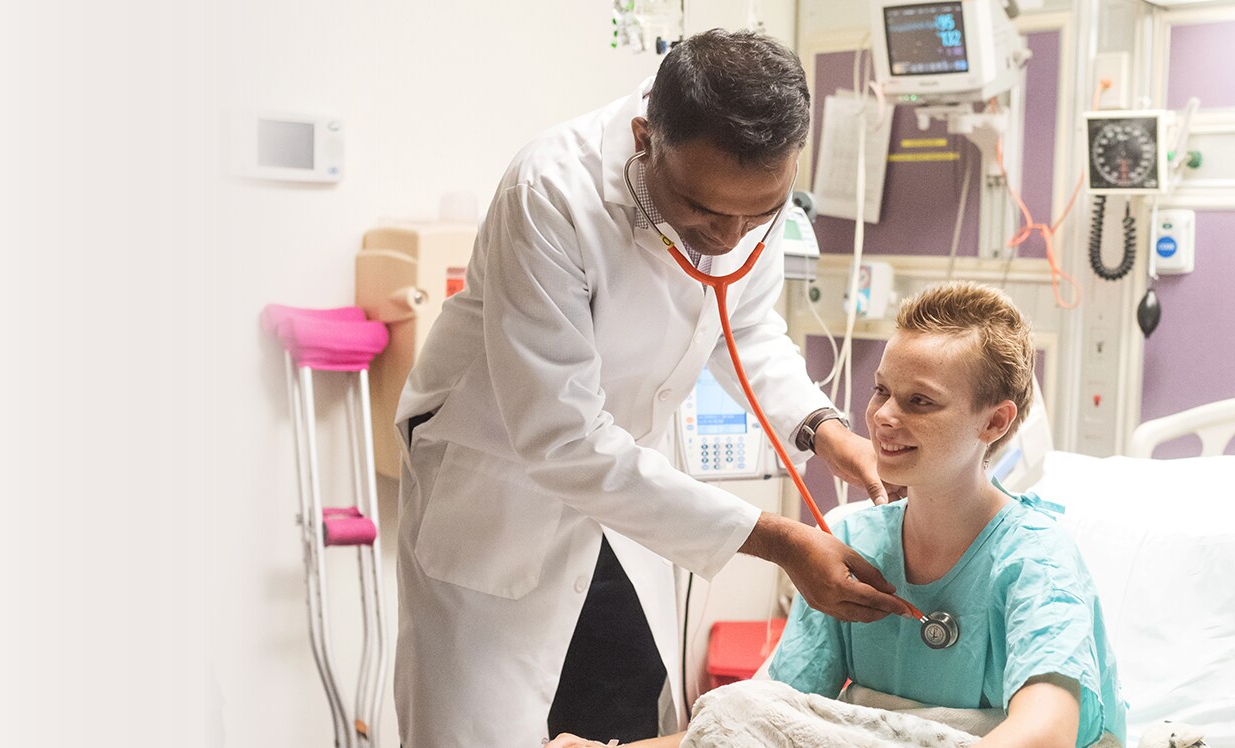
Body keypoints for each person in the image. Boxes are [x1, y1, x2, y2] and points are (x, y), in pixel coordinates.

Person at [392, 29, 908, 748]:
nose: (730, 239)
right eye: (702, 211)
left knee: (625, 714)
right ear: (644, 139)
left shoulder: (749, 198)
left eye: (759, 213)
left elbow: (745, 329)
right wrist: (780, 542)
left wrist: (828, 431)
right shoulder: (550, 192)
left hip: (631, 504)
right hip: (503, 484)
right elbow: (562, 438)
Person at [549, 282, 1127, 748]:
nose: (883, 417)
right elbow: (761, 721)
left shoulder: (1036, 558)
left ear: (994, 423)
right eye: (881, 391)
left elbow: (1046, 731)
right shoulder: (851, 539)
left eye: (919, 401)